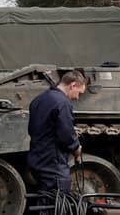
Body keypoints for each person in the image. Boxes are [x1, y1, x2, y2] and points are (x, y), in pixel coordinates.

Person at [27, 70, 87, 203]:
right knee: (56, 204)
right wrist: (76, 147)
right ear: (73, 85)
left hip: (37, 159)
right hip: (53, 164)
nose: (77, 97)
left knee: (44, 201)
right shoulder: (62, 103)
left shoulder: (38, 99)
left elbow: (35, 129)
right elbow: (66, 137)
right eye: (79, 93)